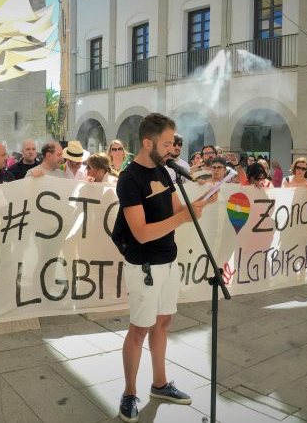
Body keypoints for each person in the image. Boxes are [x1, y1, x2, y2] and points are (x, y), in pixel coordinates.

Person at [111, 113, 215, 422]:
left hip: (168, 258)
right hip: (144, 264)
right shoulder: (130, 178)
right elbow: (141, 232)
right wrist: (183, 219)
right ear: (148, 142)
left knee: (164, 321)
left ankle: (159, 383)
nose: (172, 148)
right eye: (167, 143)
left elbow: (174, 211)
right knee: (139, 329)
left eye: (173, 142)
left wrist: (203, 201)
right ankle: (130, 392)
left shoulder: (164, 171)